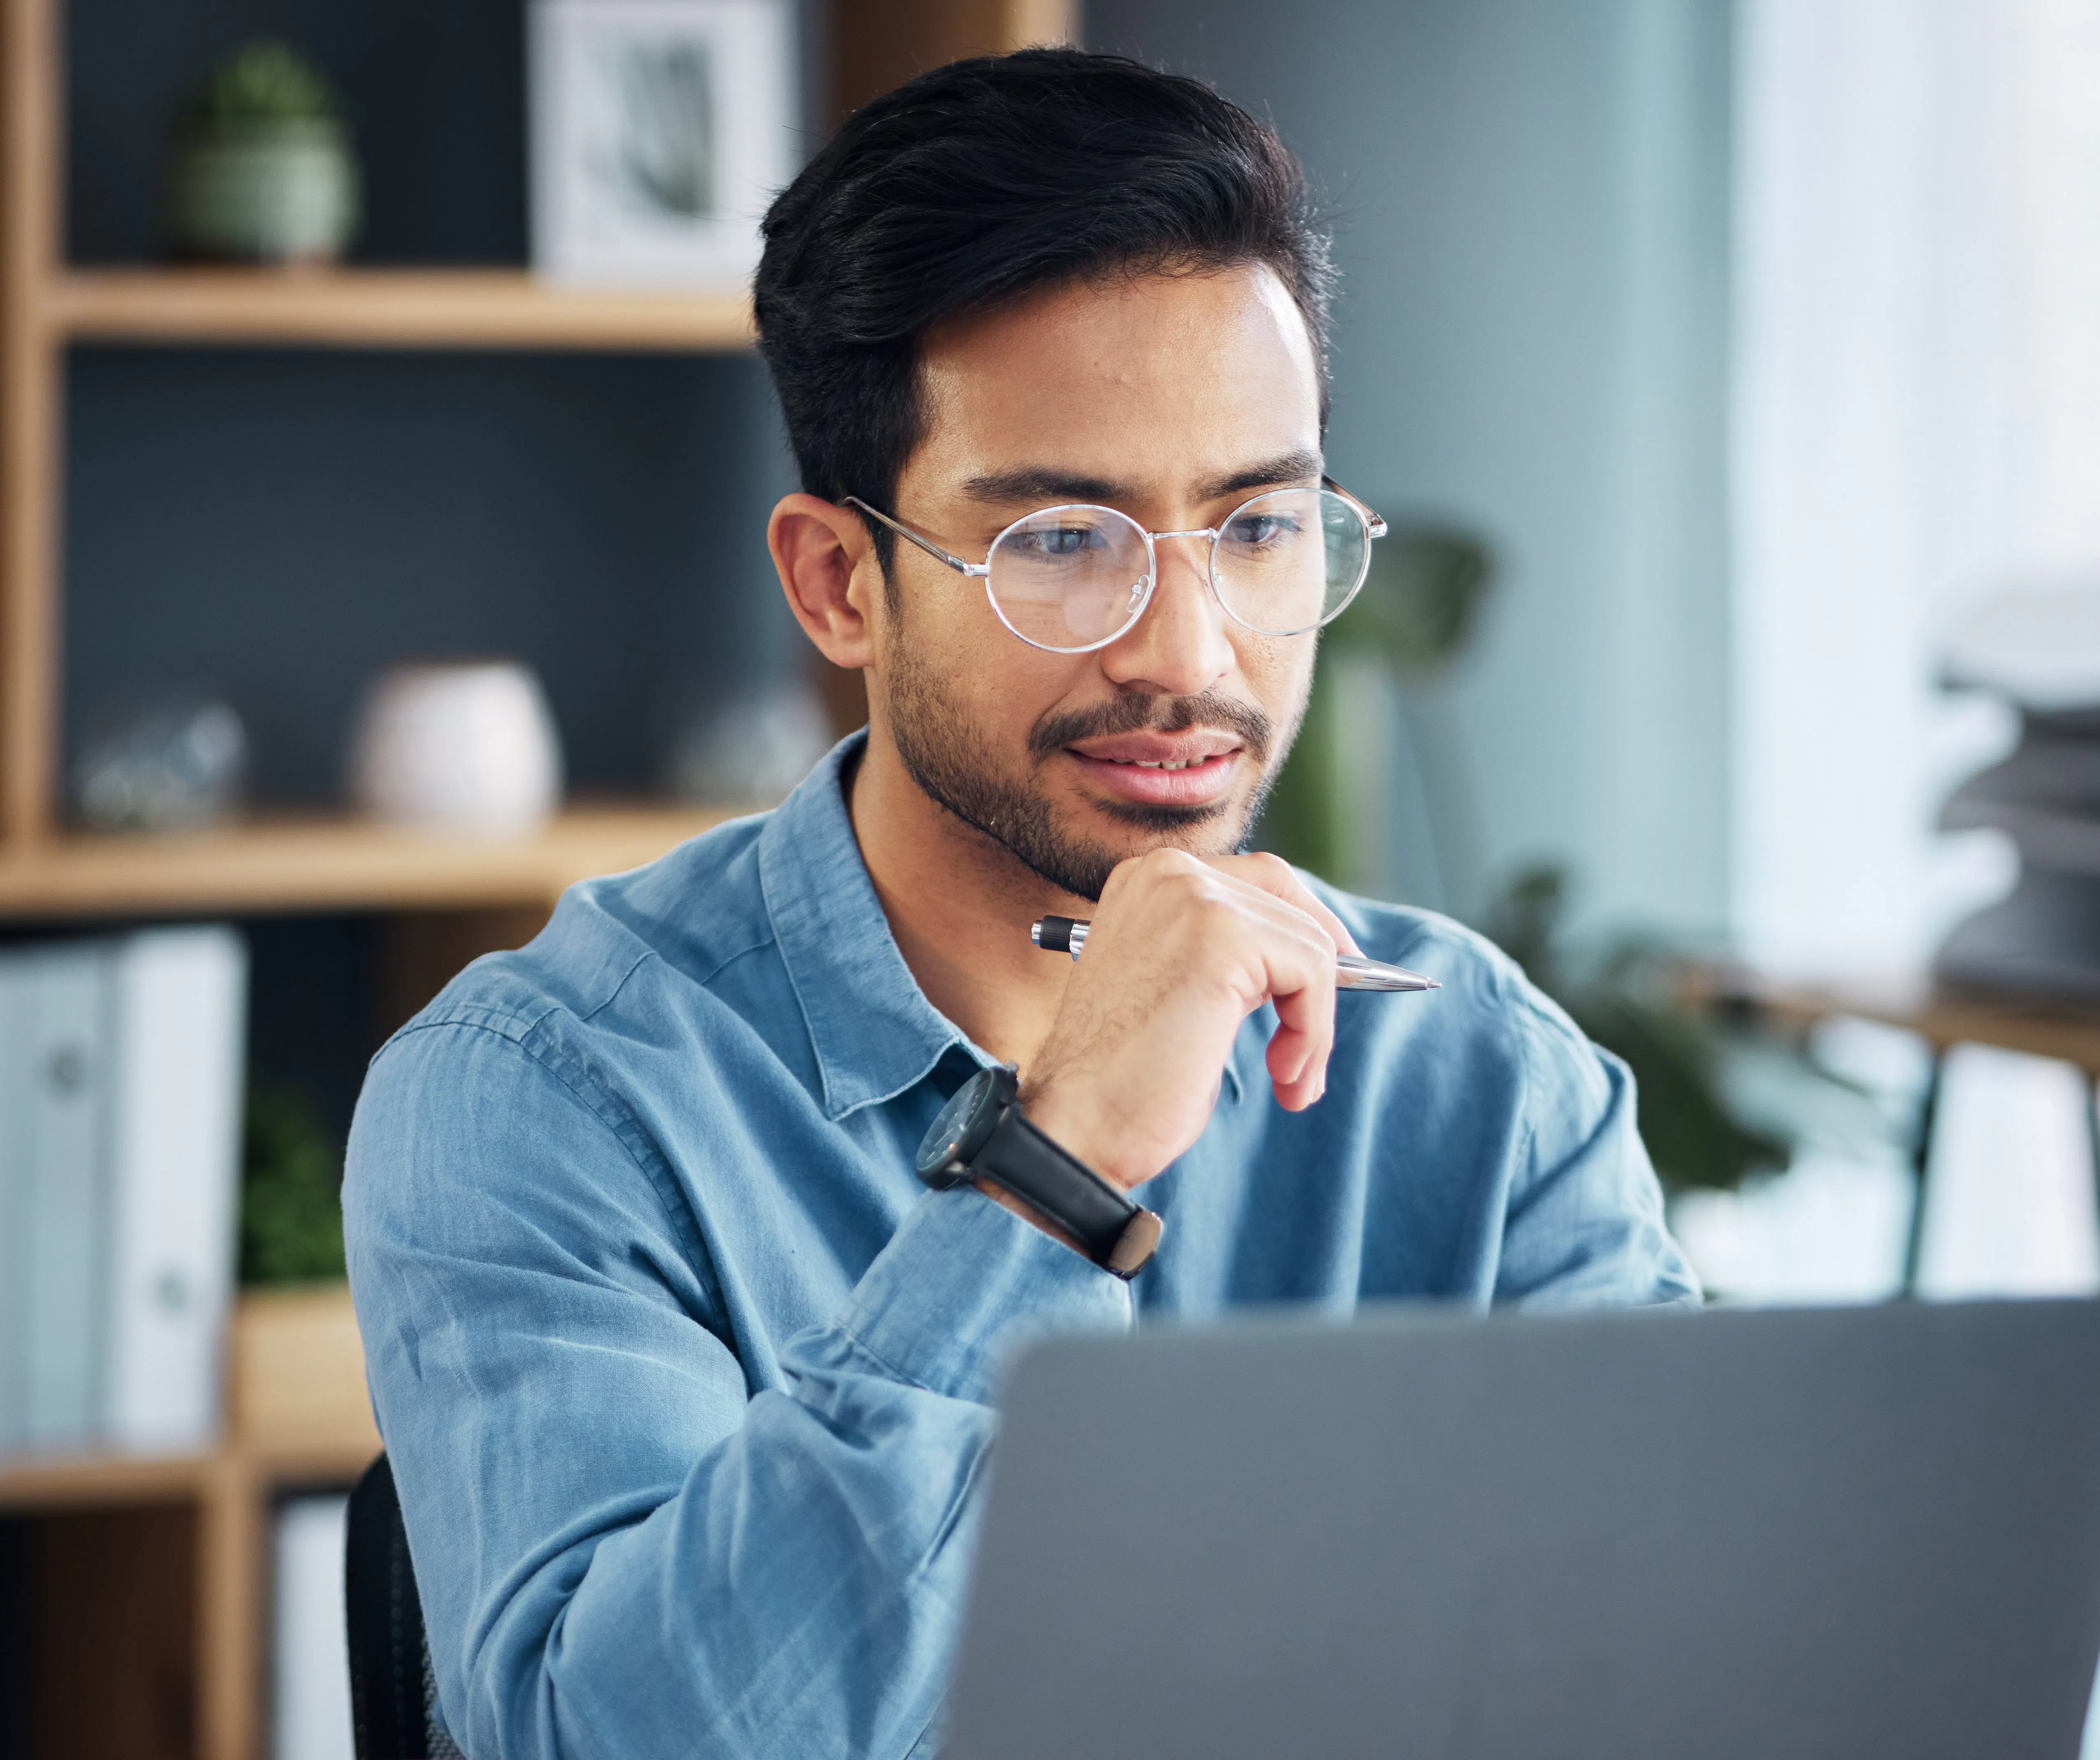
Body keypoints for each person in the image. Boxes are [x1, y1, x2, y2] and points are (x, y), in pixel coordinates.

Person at [345, 47, 1695, 1760]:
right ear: (842, 584)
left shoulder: (1480, 1081)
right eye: (1063, 540)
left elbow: (1674, 1660)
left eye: (1258, 525)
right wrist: (1048, 1179)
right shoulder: (539, 1096)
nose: (1189, 653)